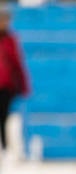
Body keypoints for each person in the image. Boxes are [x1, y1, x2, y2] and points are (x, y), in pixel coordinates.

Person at [0, 3, 30, 159]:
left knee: (4, 116)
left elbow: (17, 63)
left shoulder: (11, 40)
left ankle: (4, 148)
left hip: (6, 86)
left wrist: (23, 85)